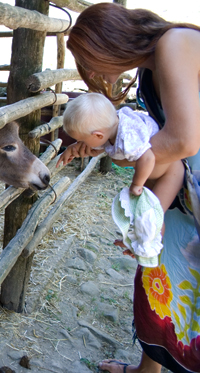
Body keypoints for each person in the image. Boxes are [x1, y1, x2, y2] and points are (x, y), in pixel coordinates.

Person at [66, 3, 200, 373]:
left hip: (191, 180)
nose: (94, 72)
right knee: (159, 268)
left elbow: (184, 140)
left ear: (108, 44)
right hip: (187, 190)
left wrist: (126, 158)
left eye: (90, 60)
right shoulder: (151, 66)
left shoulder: (173, 44)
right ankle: (149, 368)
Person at [57, 93, 184, 267]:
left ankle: (148, 247)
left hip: (168, 173)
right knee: (140, 215)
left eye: (81, 139)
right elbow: (107, 146)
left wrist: (137, 184)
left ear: (98, 135)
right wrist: (78, 148)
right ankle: (135, 243)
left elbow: (147, 158)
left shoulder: (128, 135)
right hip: (152, 174)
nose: (81, 143)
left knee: (152, 216)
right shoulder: (111, 128)